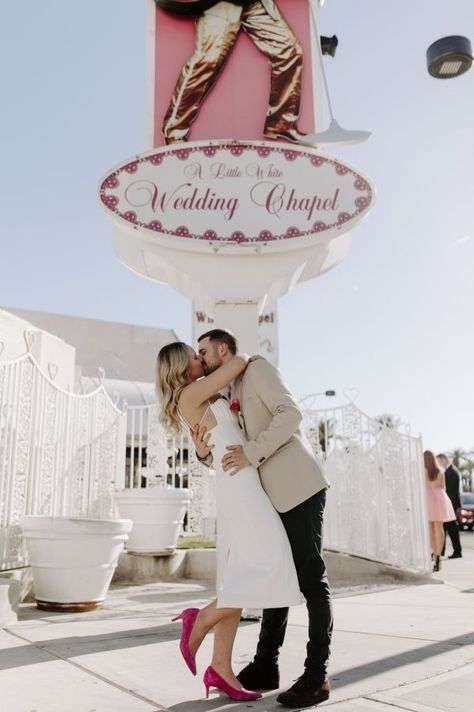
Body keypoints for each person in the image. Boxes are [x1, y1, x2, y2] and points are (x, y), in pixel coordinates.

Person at [193, 328, 332, 709]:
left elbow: (292, 414)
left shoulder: (257, 371)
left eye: (203, 352)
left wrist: (251, 452)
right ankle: (265, 664)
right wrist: (205, 452)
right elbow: (226, 446)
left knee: (311, 581)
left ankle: (316, 676)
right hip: (272, 495)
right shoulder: (230, 390)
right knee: (276, 573)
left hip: (299, 486)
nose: (201, 359)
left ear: (224, 350)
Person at [155, 341, 302, 702]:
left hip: (241, 479)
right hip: (240, 486)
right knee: (273, 561)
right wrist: (236, 358)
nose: (200, 358)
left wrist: (204, 450)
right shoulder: (190, 393)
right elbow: (236, 361)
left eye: (201, 352)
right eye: (194, 355)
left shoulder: (198, 395)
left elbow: (216, 440)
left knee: (239, 573)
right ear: (180, 367)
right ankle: (201, 619)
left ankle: (221, 668)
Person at [159, 0, 304, 144]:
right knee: (208, 61)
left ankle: (281, 123)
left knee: (290, 50)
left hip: (255, 3)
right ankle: (174, 130)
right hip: (221, 5)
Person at [424, 450, 456, 572]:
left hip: (428, 499)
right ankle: (438, 556)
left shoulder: (422, 471)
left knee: (431, 529)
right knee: (439, 528)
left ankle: (433, 553)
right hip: (440, 498)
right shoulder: (440, 471)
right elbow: (443, 487)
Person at [437, 453, 463, 559]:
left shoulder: (452, 472)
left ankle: (457, 552)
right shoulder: (449, 471)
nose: (438, 463)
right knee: (444, 528)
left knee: (452, 530)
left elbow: (452, 492)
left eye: (439, 461)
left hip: (450, 506)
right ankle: (440, 552)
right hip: (448, 506)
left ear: (444, 459)